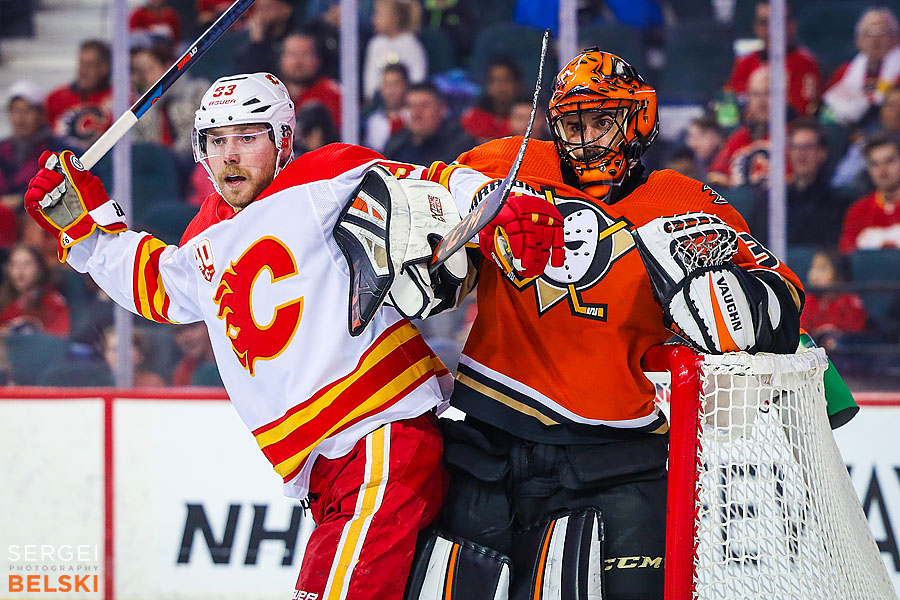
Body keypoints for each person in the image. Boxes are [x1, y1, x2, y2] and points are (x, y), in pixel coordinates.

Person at [25, 71, 563, 600]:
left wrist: (501, 201)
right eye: (216, 140)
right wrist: (87, 229)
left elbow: (435, 183)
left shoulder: (323, 175)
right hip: (324, 470)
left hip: (378, 438)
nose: (229, 155)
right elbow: (158, 289)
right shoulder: (204, 235)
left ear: (282, 140)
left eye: (246, 137)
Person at [431, 49, 804, 599]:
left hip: (615, 455)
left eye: (601, 120)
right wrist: (453, 231)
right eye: (573, 123)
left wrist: (726, 301)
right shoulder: (506, 163)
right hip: (489, 440)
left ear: (638, 120)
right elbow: (420, 201)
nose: (585, 138)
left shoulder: (682, 202)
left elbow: (785, 299)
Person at [746, 119, 848, 246]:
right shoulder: (771, 200)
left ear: (822, 153)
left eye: (808, 147)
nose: (801, 154)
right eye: (795, 147)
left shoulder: (837, 203)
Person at [724, 1, 821, 117]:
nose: (770, 29)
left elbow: (801, 110)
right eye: (764, 23)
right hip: (751, 130)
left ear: (791, 25)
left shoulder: (805, 63)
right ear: (756, 26)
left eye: (777, 22)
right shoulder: (745, 61)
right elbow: (731, 103)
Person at [130, 43, 209, 160]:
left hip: (194, 160)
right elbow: (136, 141)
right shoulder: (143, 104)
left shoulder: (199, 90)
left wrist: (170, 157)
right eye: (141, 72)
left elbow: (203, 132)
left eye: (149, 70)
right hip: (158, 167)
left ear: (169, 67)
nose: (145, 77)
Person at [823, 7, 900, 127]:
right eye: (868, 33)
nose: (875, 40)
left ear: (896, 38)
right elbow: (828, 110)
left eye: (882, 32)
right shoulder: (844, 72)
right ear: (858, 41)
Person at [708, 65, 780, 188]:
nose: (762, 101)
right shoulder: (740, 136)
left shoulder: (792, 136)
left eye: (768, 93)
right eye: (756, 94)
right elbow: (714, 175)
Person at [1, 81, 71, 203]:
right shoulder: (3, 149)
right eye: (15, 111)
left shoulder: (58, 150)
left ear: (41, 115)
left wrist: (19, 200)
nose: (20, 119)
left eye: (27, 111)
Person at [382, 81, 474, 165]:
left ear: (442, 109)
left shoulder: (460, 147)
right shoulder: (395, 144)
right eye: (411, 106)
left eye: (424, 106)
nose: (416, 114)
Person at [45, 39, 113, 149]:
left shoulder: (118, 98)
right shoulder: (56, 97)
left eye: (90, 65)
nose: (83, 71)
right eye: (81, 63)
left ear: (105, 67)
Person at [839, 132, 900, 252]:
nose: (882, 170)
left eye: (889, 161)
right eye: (875, 164)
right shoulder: (857, 211)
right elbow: (846, 257)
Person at [800, 249, 867, 351]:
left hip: (845, 354)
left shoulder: (849, 300)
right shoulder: (808, 300)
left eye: (822, 268)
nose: (814, 274)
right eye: (813, 267)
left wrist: (836, 336)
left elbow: (856, 333)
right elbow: (801, 331)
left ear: (838, 273)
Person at [363, 0, 428, 102]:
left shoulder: (410, 44)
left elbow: (417, 79)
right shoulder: (375, 44)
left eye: (379, 15)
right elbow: (370, 81)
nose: (374, 20)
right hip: (380, 102)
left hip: (405, 103)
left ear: (394, 18)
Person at [0, 244, 70, 336]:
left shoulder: (54, 303)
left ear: (40, 267)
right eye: (14, 264)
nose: (20, 270)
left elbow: (59, 338)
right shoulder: (4, 302)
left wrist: (33, 329)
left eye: (27, 264)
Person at [279, 29, 342, 129]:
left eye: (305, 54)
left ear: (318, 59)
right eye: (292, 54)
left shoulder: (333, 94)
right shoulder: (272, 93)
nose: (298, 62)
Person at [460, 56, 522, 143]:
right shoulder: (474, 117)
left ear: (516, 84)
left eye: (506, 80)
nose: (500, 87)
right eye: (494, 81)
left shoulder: (526, 117)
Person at [364, 63, 410, 152]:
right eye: (387, 85)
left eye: (395, 84)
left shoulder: (415, 117)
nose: (390, 91)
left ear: (406, 85)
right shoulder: (373, 121)